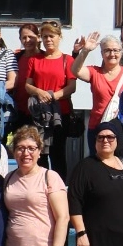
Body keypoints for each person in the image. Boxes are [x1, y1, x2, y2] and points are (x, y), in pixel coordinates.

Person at [22, 20, 77, 173]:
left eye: (52, 36)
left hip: (60, 114)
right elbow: (28, 85)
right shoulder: (35, 60)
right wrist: (39, 92)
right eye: (45, 37)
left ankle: (60, 188)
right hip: (39, 115)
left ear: (59, 37)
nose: (48, 40)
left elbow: (72, 87)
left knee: (58, 153)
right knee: (40, 153)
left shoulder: (67, 60)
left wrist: (53, 96)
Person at [71, 31, 123, 140]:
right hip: (97, 127)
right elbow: (75, 70)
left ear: (121, 53)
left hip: (122, 128)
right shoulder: (95, 72)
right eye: (107, 50)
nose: (112, 54)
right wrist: (85, 50)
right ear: (102, 54)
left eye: (116, 50)